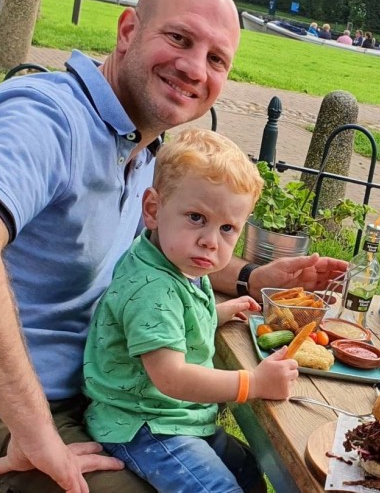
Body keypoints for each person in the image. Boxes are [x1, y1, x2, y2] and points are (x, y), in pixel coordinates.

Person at [0, 0, 347, 490]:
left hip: (67, 401)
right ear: (128, 32)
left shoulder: (139, 153)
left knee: (244, 472)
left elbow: (157, 253)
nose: (194, 69)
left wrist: (254, 276)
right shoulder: (45, 117)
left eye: (216, 59)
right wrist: (37, 433)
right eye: (179, 38)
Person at [83, 129, 290, 492]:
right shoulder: (153, 287)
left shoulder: (178, 260)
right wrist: (254, 383)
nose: (211, 240)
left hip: (176, 417)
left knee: (246, 468)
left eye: (227, 228)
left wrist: (218, 314)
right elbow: (171, 377)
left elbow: (172, 322)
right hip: (143, 424)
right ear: (153, 210)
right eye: (196, 217)